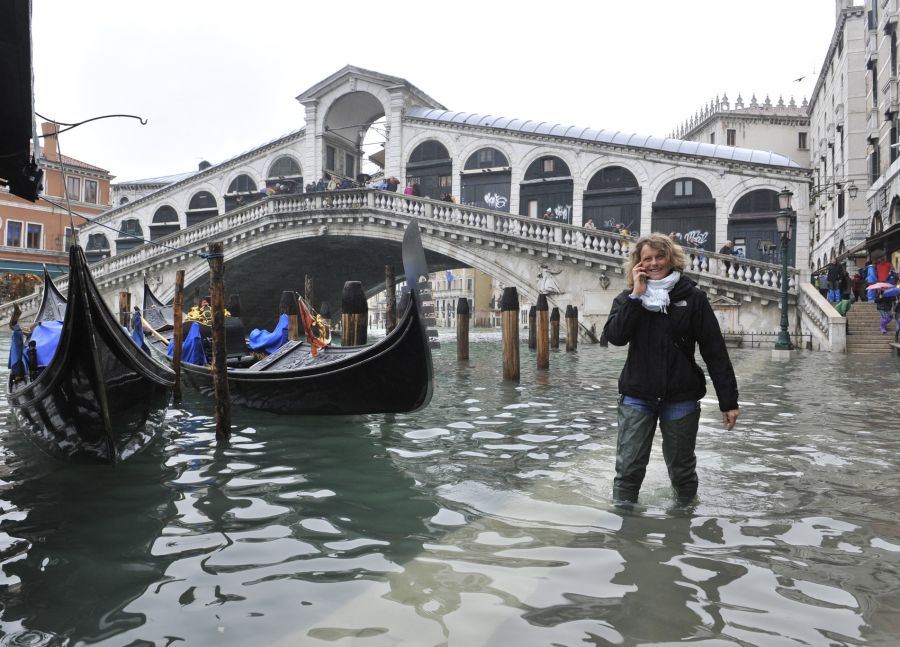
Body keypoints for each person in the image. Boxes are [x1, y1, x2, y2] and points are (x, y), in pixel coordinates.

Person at [603, 233, 740, 506]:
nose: (654, 263)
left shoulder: (693, 297)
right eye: (647, 259)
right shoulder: (627, 298)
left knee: (682, 471)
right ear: (638, 264)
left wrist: (729, 401)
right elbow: (614, 337)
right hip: (637, 396)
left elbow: (714, 351)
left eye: (659, 257)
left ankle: (682, 532)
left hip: (681, 397)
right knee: (628, 470)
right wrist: (636, 297)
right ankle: (625, 535)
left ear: (671, 258)